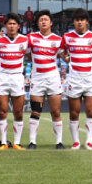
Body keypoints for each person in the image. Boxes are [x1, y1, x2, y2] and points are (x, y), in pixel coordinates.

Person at [26, 10, 65, 149]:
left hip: (53, 78)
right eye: (41, 19)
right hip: (37, 78)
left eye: (46, 19)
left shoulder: (58, 39)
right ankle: (32, 142)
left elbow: (63, 56)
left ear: (51, 23)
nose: (43, 21)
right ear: (38, 23)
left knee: (56, 112)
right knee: (35, 111)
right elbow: (28, 55)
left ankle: (59, 142)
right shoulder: (30, 38)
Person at [62, 9, 92, 150]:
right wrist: (66, 59)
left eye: (82, 19)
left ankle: (89, 141)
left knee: (91, 112)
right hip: (74, 79)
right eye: (77, 19)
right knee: (74, 112)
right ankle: (76, 142)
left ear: (86, 21)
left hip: (90, 78)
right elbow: (61, 52)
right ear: (73, 22)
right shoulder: (66, 37)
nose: (79, 22)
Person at [0, 13, 29, 149]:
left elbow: (32, 53)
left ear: (19, 26)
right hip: (2, 77)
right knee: (2, 111)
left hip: (17, 77)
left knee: (18, 112)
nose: (12, 26)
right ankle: (3, 143)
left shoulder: (25, 40)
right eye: (9, 24)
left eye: (14, 24)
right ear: (5, 26)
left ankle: (17, 142)